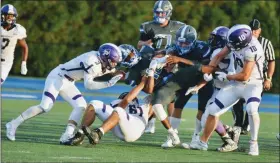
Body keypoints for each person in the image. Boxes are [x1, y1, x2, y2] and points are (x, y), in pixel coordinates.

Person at [5, 43, 124, 144]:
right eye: (113, 61)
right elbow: (89, 85)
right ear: (105, 57)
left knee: (81, 106)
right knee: (45, 107)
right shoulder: (91, 61)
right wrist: (108, 83)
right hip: (58, 77)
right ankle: (13, 124)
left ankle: (67, 135)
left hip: (68, 82)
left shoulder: (101, 61)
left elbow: (111, 70)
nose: (114, 64)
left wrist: (120, 73)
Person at [190, 24, 264, 156]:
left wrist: (227, 76)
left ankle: (254, 143)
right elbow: (219, 56)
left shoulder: (253, 48)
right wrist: (210, 69)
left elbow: (245, 76)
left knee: (252, 109)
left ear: (244, 40)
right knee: (212, 110)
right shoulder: (236, 41)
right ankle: (202, 142)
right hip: (235, 83)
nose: (231, 47)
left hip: (253, 84)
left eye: (234, 44)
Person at [182, 26, 241, 152]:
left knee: (210, 114)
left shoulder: (220, 52)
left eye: (214, 38)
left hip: (229, 89)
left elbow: (214, 71)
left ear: (222, 40)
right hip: (220, 88)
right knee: (208, 117)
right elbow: (212, 72)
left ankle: (207, 142)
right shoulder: (225, 51)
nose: (211, 40)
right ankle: (229, 134)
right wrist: (198, 86)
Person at [158, 24, 214, 148]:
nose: (182, 46)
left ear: (193, 42)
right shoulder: (174, 47)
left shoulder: (203, 48)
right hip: (186, 78)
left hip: (203, 80)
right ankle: (172, 137)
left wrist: (180, 59)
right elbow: (168, 54)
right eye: (180, 43)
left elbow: (204, 68)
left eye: (186, 43)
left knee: (202, 110)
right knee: (178, 106)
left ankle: (196, 138)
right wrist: (167, 57)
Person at [137, 0, 185, 133]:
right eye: (157, 12)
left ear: (168, 12)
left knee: (171, 96)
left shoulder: (179, 26)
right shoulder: (148, 26)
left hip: (171, 62)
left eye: (162, 12)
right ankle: (151, 121)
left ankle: (171, 125)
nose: (159, 14)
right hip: (155, 62)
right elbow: (139, 44)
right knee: (152, 91)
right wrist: (147, 43)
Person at [232, 19, 276, 134]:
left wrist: (269, 78)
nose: (253, 32)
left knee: (252, 103)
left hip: (258, 78)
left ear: (260, 30)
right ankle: (238, 124)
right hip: (242, 75)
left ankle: (246, 126)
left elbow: (271, 61)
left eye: (256, 30)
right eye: (251, 29)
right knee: (236, 101)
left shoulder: (266, 43)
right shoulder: (243, 41)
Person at [1, 4, 28, 84]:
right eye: (8, 15)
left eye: (12, 16)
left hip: (5, 63)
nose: (10, 18)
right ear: (3, 16)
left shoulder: (18, 30)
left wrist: (23, 63)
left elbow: (24, 47)